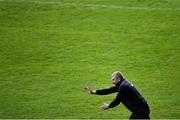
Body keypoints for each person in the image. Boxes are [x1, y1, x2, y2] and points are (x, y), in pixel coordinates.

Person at [84, 71, 150, 119]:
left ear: (118, 79)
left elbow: (118, 100)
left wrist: (109, 106)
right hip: (140, 110)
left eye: (113, 79)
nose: (112, 81)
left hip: (141, 111)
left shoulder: (123, 86)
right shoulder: (123, 84)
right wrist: (93, 92)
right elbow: (109, 90)